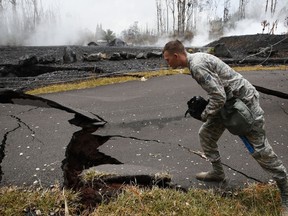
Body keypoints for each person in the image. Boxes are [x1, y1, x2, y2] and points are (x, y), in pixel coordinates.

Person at [163, 39, 288, 214]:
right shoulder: (195, 60)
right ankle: (217, 172)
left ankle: (286, 192)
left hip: (244, 104)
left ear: (176, 56)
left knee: (260, 150)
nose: (167, 63)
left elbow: (218, 97)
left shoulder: (197, 66)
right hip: (228, 104)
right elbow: (219, 94)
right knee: (206, 134)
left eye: (168, 60)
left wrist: (204, 114)